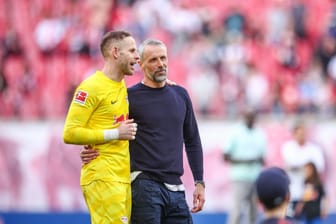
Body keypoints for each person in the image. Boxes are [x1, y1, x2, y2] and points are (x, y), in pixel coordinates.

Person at [80, 38, 205, 224]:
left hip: (176, 188)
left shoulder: (181, 95)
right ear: (140, 63)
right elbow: (104, 126)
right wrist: (91, 147)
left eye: (163, 58)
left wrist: (199, 182)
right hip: (143, 185)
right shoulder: (128, 98)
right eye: (153, 60)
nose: (160, 64)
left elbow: (192, 140)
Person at [62, 30, 139, 224]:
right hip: (103, 176)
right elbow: (70, 133)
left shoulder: (121, 85)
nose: (137, 56)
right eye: (131, 51)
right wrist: (115, 133)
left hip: (121, 177)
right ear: (115, 53)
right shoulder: (91, 87)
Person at [223, 109, 267, 224]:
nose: (251, 119)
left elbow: (263, 157)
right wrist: (246, 161)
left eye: (253, 117)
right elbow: (225, 156)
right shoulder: (235, 132)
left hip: (256, 177)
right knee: (237, 211)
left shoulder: (259, 133)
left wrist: (258, 160)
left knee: (254, 213)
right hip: (240, 177)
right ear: (244, 117)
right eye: (248, 116)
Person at [281, 121, 325, 220]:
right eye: (299, 133)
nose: (302, 136)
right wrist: (307, 166)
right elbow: (290, 164)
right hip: (292, 193)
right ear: (294, 134)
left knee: (308, 219)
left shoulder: (314, 149)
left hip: (308, 194)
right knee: (290, 218)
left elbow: (319, 167)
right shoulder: (288, 147)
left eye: (303, 133)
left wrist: (301, 167)